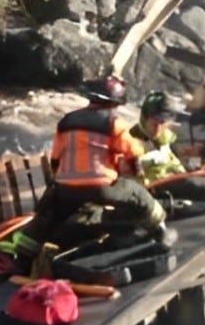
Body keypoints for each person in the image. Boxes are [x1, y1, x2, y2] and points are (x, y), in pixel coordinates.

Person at [24, 75, 171, 250]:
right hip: (101, 188)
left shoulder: (66, 121)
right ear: (114, 103)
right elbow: (133, 151)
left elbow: (55, 157)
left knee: (50, 214)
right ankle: (161, 230)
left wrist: (61, 181)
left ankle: (29, 250)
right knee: (138, 195)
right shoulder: (113, 123)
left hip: (66, 189)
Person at [130, 91, 205, 216]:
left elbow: (174, 161)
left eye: (163, 123)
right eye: (155, 122)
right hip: (157, 188)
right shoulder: (132, 142)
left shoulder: (164, 139)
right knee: (189, 183)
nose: (158, 128)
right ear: (145, 119)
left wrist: (197, 165)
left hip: (176, 176)